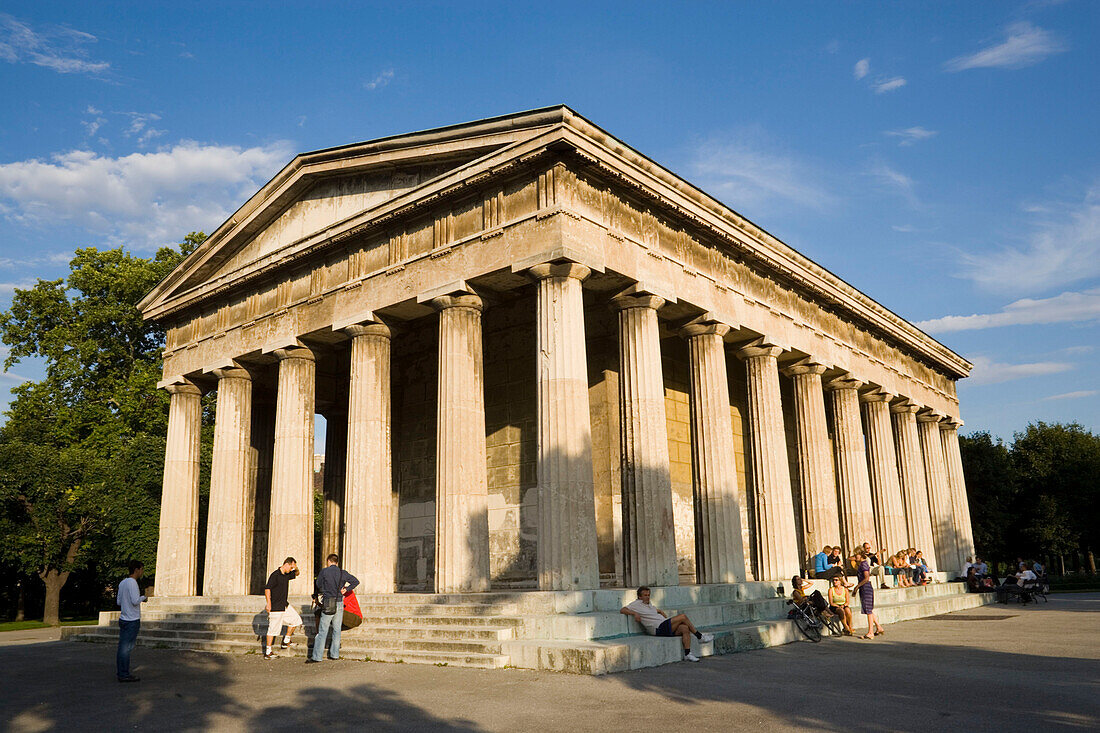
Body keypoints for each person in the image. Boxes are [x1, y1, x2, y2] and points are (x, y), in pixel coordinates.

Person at [621, 586, 713, 662]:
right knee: (683, 617)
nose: (647, 597)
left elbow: (652, 611)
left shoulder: (649, 605)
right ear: (639, 597)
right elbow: (623, 610)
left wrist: (660, 611)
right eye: (645, 595)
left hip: (663, 625)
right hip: (657, 628)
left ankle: (687, 654)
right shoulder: (636, 604)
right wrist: (635, 614)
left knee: (685, 628)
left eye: (649, 595)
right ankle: (700, 637)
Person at [308, 554, 360, 664]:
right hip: (339, 602)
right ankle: (334, 654)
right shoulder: (343, 572)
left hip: (328, 602)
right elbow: (356, 581)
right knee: (336, 630)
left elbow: (318, 584)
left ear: (328, 561)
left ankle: (317, 656)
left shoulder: (324, 571)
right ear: (337, 562)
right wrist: (346, 588)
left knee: (323, 630)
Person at [264, 557, 302, 659]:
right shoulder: (275, 575)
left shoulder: (287, 575)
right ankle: (268, 652)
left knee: (296, 620)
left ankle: (286, 641)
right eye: (291, 567)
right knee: (272, 630)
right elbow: (267, 589)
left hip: (285, 605)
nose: (291, 570)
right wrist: (268, 603)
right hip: (276, 606)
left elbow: (297, 573)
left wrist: (295, 567)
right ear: (287, 564)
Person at [116, 560, 147, 682]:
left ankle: (121, 672)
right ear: (136, 570)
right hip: (132, 619)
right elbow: (135, 601)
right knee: (127, 648)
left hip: (123, 618)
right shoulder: (133, 583)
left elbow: (118, 602)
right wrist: (144, 598)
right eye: (141, 569)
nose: (142, 572)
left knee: (122, 647)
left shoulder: (123, 583)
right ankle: (124, 674)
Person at [852, 550, 885, 639]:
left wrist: (857, 587)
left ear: (861, 555)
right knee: (868, 609)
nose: (855, 557)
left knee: (868, 611)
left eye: (857, 555)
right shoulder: (861, 564)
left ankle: (870, 632)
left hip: (866, 588)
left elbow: (866, 578)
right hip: (864, 588)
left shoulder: (864, 564)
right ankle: (879, 627)